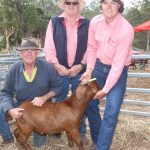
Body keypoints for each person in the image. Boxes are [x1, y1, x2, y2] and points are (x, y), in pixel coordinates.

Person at [80, 0, 134, 149]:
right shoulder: (95, 22)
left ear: (119, 6)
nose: (109, 6)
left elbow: (117, 65)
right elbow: (91, 47)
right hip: (98, 66)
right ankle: (98, 139)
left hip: (118, 72)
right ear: (101, 5)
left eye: (113, 2)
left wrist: (105, 90)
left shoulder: (126, 30)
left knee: (112, 111)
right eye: (105, 2)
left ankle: (101, 147)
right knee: (89, 101)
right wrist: (89, 70)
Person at [0, 38, 63, 147]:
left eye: (32, 50)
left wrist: (44, 97)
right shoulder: (13, 69)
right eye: (25, 50)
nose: (29, 53)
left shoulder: (47, 67)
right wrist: (10, 109)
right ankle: (8, 137)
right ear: (20, 53)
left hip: (42, 108)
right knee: (1, 108)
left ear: (37, 52)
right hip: (22, 106)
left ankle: (45, 129)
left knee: (39, 144)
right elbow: (6, 93)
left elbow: (59, 86)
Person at [44, 0, 90, 144]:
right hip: (59, 70)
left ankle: (80, 131)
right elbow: (49, 46)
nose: (71, 6)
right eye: (68, 3)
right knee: (59, 101)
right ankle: (56, 129)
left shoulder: (87, 24)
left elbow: (91, 47)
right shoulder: (54, 22)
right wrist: (57, 66)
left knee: (81, 102)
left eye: (75, 3)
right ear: (63, 5)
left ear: (79, 5)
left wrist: (82, 65)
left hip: (80, 71)